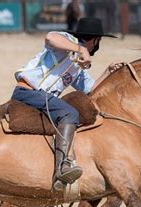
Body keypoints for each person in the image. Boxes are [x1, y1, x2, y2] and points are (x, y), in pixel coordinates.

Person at [11, 17, 117, 193]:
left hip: (41, 97)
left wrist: (109, 72)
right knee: (70, 114)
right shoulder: (68, 41)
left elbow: (90, 90)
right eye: (99, 41)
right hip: (29, 92)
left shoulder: (78, 68)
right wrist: (80, 48)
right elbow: (50, 37)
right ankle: (62, 166)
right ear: (95, 40)